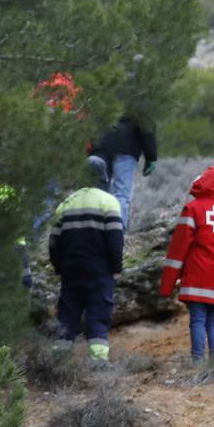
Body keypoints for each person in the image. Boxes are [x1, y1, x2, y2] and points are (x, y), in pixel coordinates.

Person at [158, 167, 214, 363]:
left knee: (197, 321)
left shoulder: (193, 209)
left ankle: (198, 362)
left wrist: (167, 285)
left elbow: (178, 249)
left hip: (198, 277)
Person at [47, 157, 124, 362]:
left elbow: (53, 244)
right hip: (100, 269)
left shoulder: (66, 203)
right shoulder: (108, 202)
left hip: (71, 269)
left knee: (67, 315)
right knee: (98, 314)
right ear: (103, 176)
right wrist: (116, 267)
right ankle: (98, 362)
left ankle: (59, 363)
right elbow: (115, 241)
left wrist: (59, 267)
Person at [92, 114, 157, 230]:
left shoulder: (105, 96)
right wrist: (151, 156)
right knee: (121, 194)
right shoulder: (138, 97)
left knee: (98, 194)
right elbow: (146, 123)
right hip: (127, 148)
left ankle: (96, 232)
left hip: (100, 147)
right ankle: (116, 232)